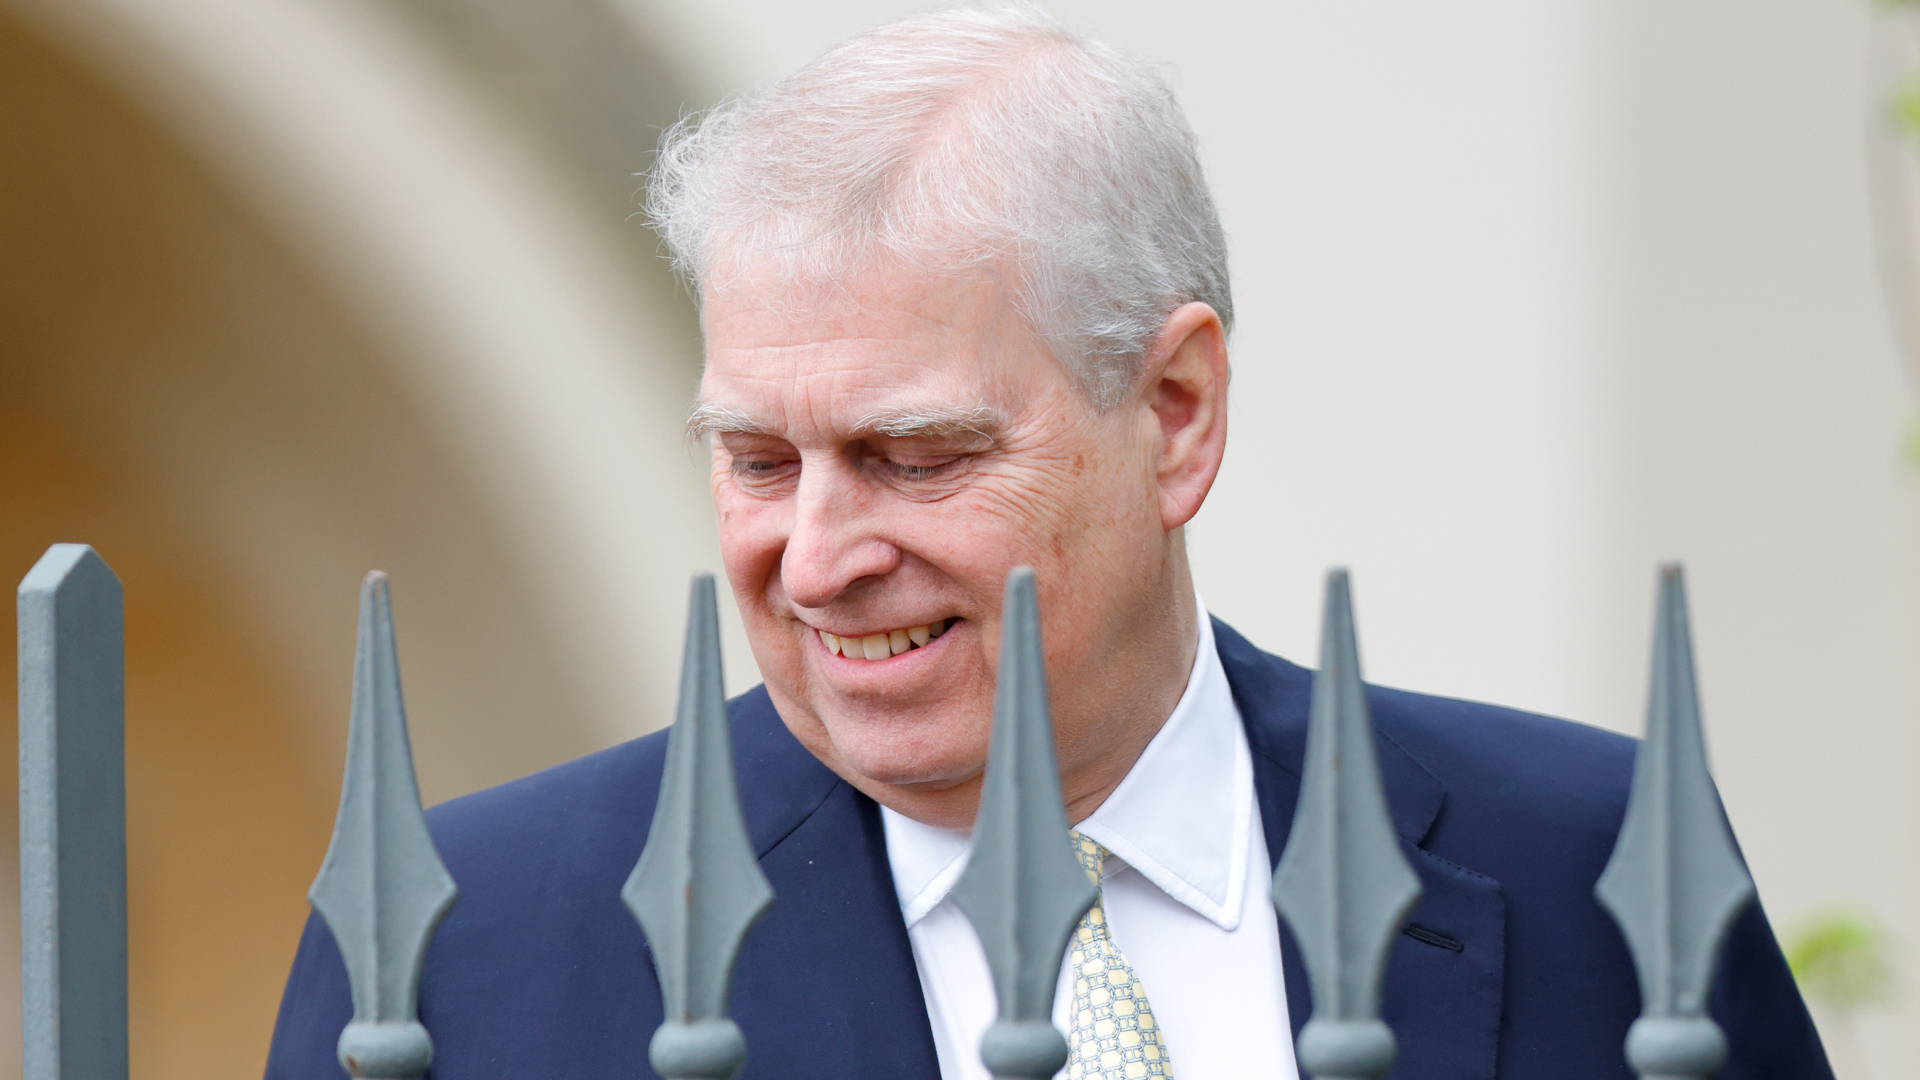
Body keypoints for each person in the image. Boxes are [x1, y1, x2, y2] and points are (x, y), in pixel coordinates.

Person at [266, 6, 1831, 1078]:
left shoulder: (1587, 860)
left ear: (1177, 410)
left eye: (914, 455)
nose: (814, 558)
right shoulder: (464, 946)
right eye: (755, 459)